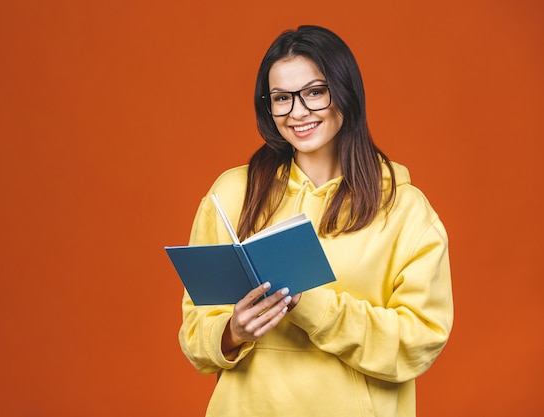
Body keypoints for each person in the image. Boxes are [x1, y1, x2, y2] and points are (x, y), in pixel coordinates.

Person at [178, 25, 453, 417]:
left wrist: (313, 306)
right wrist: (231, 332)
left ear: (345, 92)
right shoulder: (231, 194)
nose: (298, 112)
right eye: (281, 98)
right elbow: (194, 332)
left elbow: (419, 341)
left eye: (314, 92)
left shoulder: (405, 210)